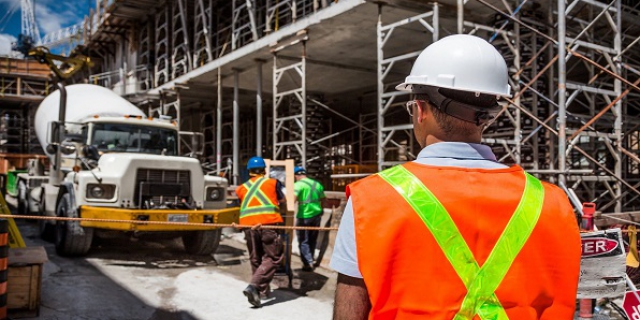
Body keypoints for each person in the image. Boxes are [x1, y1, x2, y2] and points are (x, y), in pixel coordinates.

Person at [330, 34, 581, 319]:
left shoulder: (371, 200)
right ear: (487, 116)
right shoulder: (552, 202)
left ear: (420, 110)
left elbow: (350, 309)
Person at [235, 156, 287, 308]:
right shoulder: (272, 183)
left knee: (255, 258)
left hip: (248, 227)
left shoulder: (241, 188)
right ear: (264, 170)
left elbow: (243, 203)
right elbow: (282, 200)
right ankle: (254, 286)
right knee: (273, 257)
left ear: (249, 171)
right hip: (267, 224)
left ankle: (261, 292)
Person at [293, 166, 326, 271]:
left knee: (303, 240)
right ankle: (311, 259)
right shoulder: (317, 184)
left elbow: (292, 199)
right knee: (313, 239)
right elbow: (324, 199)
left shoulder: (298, 185)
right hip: (317, 216)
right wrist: (321, 209)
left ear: (296, 175)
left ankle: (308, 263)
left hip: (304, 216)